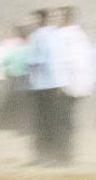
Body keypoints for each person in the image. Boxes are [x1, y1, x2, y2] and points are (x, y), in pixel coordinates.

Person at [27, 9, 69, 166]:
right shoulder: (55, 34)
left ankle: (47, 156)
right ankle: (53, 155)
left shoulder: (39, 35)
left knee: (44, 122)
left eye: (35, 18)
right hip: (55, 83)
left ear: (42, 19)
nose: (33, 22)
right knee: (52, 121)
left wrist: (31, 77)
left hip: (43, 84)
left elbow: (36, 60)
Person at [57, 6, 94, 164]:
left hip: (68, 84)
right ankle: (69, 153)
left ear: (65, 17)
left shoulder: (64, 35)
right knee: (69, 118)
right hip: (79, 84)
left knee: (64, 119)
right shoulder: (81, 35)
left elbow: (67, 61)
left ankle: (66, 154)